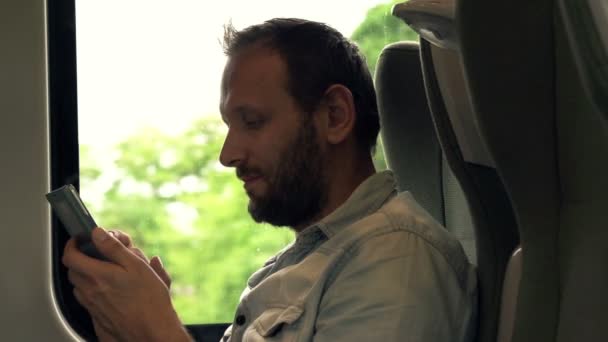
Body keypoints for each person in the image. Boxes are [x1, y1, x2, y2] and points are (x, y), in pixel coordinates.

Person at [62, 18, 477, 341]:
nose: (228, 155)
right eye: (229, 126)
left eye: (252, 122)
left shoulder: (394, 261)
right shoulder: (302, 263)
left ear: (334, 116)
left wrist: (157, 331)